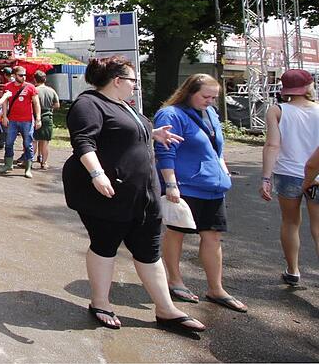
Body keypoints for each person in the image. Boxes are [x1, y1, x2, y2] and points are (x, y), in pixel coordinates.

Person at [62, 56, 202, 333]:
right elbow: (83, 141)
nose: (135, 86)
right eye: (133, 81)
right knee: (105, 244)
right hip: (109, 194)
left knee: (149, 250)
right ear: (117, 81)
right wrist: (97, 174)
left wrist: (153, 132)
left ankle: (166, 309)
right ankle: (100, 302)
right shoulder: (89, 104)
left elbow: (125, 134)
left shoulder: (125, 106)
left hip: (144, 196)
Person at [155, 74, 245, 313]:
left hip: (213, 187)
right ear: (189, 92)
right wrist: (171, 185)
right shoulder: (171, 114)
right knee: (176, 232)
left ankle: (216, 288)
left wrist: (222, 170)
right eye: (205, 96)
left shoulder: (211, 113)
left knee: (213, 236)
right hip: (186, 187)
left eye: (214, 97)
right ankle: (174, 281)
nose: (210, 101)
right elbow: (165, 152)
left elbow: (217, 147)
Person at [260, 68, 319, 287]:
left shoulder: (277, 110)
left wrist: (266, 178)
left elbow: (272, 144)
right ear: (309, 86)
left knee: (290, 222)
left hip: (288, 174)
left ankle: (293, 271)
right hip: (317, 175)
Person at [1, 66, 41, 178]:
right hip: (12, 120)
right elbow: (4, 102)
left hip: (27, 120)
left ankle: (28, 168)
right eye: (20, 75)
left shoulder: (30, 87)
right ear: (14, 75)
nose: (23, 77)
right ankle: (8, 165)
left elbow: (36, 103)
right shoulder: (7, 87)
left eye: (24, 75)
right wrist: (4, 116)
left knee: (28, 144)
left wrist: (38, 118)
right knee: (8, 143)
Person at [33, 70, 60, 169]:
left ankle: (29, 162)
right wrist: (50, 108)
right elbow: (57, 105)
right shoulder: (51, 90)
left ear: (35, 79)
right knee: (45, 142)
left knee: (33, 140)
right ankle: (44, 163)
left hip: (35, 117)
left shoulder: (34, 90)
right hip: (48, 117)